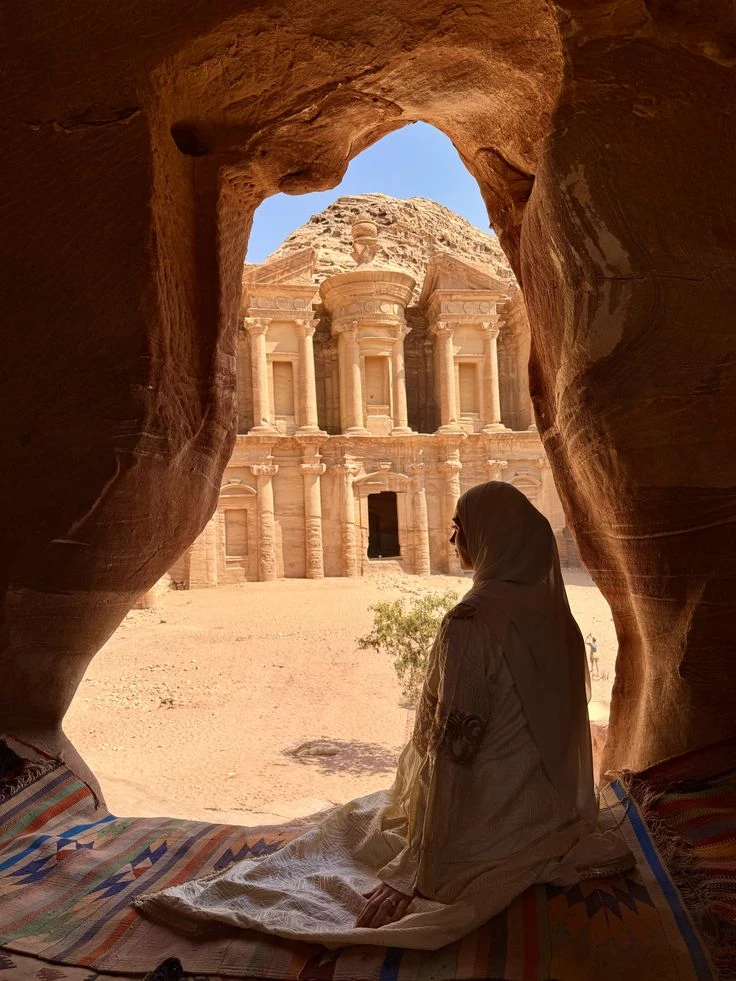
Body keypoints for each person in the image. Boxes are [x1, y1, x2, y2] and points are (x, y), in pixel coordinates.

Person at [135, 481, 632, 950]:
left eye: (460, 526)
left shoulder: (471, 622)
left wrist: (416, 868)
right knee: (364, 817)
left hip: (491, 820)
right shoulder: (557, 617)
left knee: (351, 831)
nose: (452, 538)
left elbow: (451, 754)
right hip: (545, 810)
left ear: (489, 537)